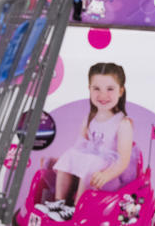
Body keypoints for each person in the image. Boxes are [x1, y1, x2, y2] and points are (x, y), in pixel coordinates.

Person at [37, 63, 135, 222]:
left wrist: (107, 174)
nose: (103, 95)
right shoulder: (90, 118)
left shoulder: (123, 123)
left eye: (110, 89)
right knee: (70, 154)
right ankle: (59, 202)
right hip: (90, 166)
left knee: (92, 161)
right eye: (97, 89)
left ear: (121, 91)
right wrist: (62, 162)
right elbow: (79, 147)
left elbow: (123, 161)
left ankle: (76, 208)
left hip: (108, 175)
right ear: (89, 89)